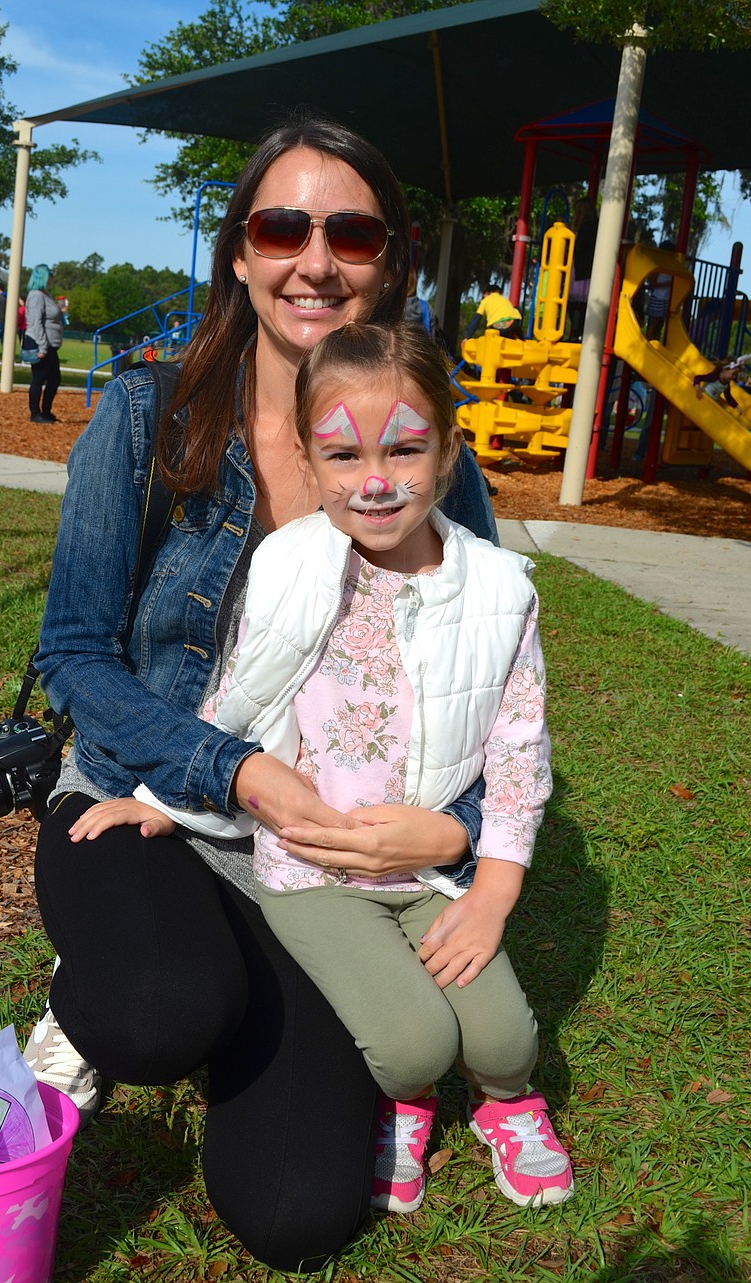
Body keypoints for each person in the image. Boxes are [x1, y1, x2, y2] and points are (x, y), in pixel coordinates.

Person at [25, 116, 502, 1273]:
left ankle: (221, 966)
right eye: (283, 226)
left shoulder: (438, 459)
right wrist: (229, 770)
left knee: (294, 1210)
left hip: (318, 866)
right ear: (241, 252)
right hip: (140, 802)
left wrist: (462, 831)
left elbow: (487, 678)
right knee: (154, 1016)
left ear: (387, 259)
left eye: (351, 231)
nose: (315, 259)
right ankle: (110, 984)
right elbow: (76, 651)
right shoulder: (145, 416)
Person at [71, 319, 573, 1217]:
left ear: (450, 450)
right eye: (342, 455)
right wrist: (163, 801)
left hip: (428, 869)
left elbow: (519, 752)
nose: (375, 480)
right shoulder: (291, 567)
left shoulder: (502, 590)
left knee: (505, 1036)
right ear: (308, 459)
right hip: (309, 868)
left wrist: (492, 887)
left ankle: (507, 1105)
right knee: (414, 1043)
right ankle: (409, 1102)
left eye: (406, 448)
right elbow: (237, 699)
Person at [24, 265, 63, 423]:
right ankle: (35, 413)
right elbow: (35, 322)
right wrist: (42, 346)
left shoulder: (45, 294)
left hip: (50, 344)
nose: (51, 278)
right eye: (49, 275)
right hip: (41, 343)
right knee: (38, 378)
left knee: (54, 379)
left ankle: (46, 411)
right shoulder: (36, 296)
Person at [566, 197, 598, 342]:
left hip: (582, 270)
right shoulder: (597, 226)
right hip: (591, 269)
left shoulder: (587, 227)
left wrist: (568, 246)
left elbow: (579, 248)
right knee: (583, 303)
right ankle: (582, 333)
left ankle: (577, 332)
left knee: (576, 302)